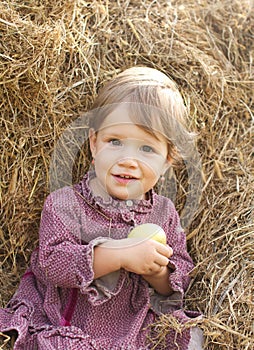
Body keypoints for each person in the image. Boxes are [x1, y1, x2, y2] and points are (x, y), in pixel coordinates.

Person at [0, 66, 203, 349]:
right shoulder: (66, 204)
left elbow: (178, 280)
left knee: (189, 338)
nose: (128, 160)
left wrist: (156, 272)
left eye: (146, 149)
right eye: (115, 142)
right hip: (71, 322)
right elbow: (53, 264)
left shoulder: (164, 213)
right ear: (94, 145)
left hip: (131, 328)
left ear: (167, 160)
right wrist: (120, 254)